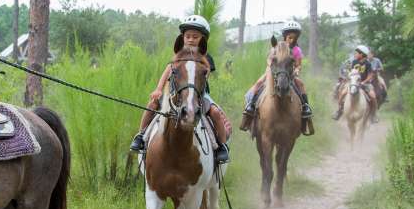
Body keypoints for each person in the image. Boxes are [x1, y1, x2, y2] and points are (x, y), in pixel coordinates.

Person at [129, 15, 231, 164]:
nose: (190, 40)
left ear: (203, 40)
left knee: (215, 112)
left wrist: (197, 65)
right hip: (176, 93)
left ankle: (221, 146)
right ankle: (141, 136)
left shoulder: (205, 57)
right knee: (152, 105)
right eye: (187, 36)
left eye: (195, 37)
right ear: (182, 38)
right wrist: (158, 89)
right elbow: (168, 70)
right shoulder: (178, 55)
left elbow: (205, 72)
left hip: (199, 95)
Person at [241, 20, 312, 122]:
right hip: (274, 70)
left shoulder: (297, 50)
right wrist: (270, 65)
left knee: (300, 84)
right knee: (259, 83)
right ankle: (251, 105)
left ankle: (305, 106)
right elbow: (269, 58)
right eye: (290, 37)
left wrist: (296, 70)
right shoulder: (277, 47)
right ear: (285, 36)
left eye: (294, 38)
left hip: (289, 72)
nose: (292, 40)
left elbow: (299, 65)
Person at [332, 44, 376, 121]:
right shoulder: (354, 62)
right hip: (354, 82)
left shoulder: (368, 64)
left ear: (361, 54)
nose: (355, 54)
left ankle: (373, 114)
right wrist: (348, 78)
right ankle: (339, 110)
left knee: (373, 96)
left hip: (365, 83)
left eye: (356, 53)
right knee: (342, 93)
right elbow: (352, 72)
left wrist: (363, 82)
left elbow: (370, 75)